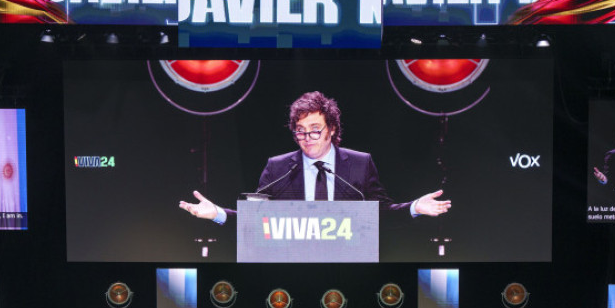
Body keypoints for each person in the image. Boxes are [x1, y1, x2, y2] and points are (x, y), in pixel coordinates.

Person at [179, 90, 452, 223]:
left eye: (314, 130)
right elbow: (256, 220)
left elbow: (379, 214)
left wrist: (415, 207)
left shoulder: (360, 164)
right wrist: (217, 214)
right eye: (300, 131)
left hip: (348, 263)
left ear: (332, 129)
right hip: (292, 264)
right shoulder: (278, 168)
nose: (306, 137)